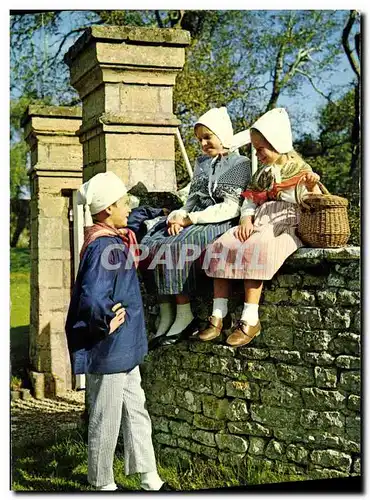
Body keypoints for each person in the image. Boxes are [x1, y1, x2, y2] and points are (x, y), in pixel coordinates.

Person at [65, 172, 167, 492]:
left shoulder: (115, 234)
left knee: (136, 410)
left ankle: (149, 477)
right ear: (108, 208)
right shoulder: (103, 247)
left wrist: (165, 214)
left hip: (125, 346)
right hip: (109, 346)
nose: (128, 207)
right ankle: (101, 483)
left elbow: (136, 217)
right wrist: (104, 321)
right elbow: (92, 296)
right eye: (123, 203)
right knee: (105, 417)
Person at [201, 107, 321, 347]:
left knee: (257, 249)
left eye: (261, 148)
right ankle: (218, 313)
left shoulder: (300, 171)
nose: (259, 153)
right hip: (259, 221)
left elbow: (314, 202)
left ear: (277, 143)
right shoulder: (262, 173)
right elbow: (250, 200)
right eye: (255, 149)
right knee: (221, 245)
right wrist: (246, 218)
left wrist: (311, 186)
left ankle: (250, 318)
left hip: (284, 224)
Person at [140, 107, 252, 348]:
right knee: (152, 241)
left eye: (207, 137)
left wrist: (190, 219)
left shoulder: (239, 163)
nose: (202, 144)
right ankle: (166, 309)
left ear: (222, 135)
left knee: (177, 246)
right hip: (195, 215)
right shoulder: (203, 163)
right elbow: (191, 199)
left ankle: (184, 313)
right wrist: (178, 215)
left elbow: (231, 207)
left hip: (219, 220)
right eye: (199, 139)